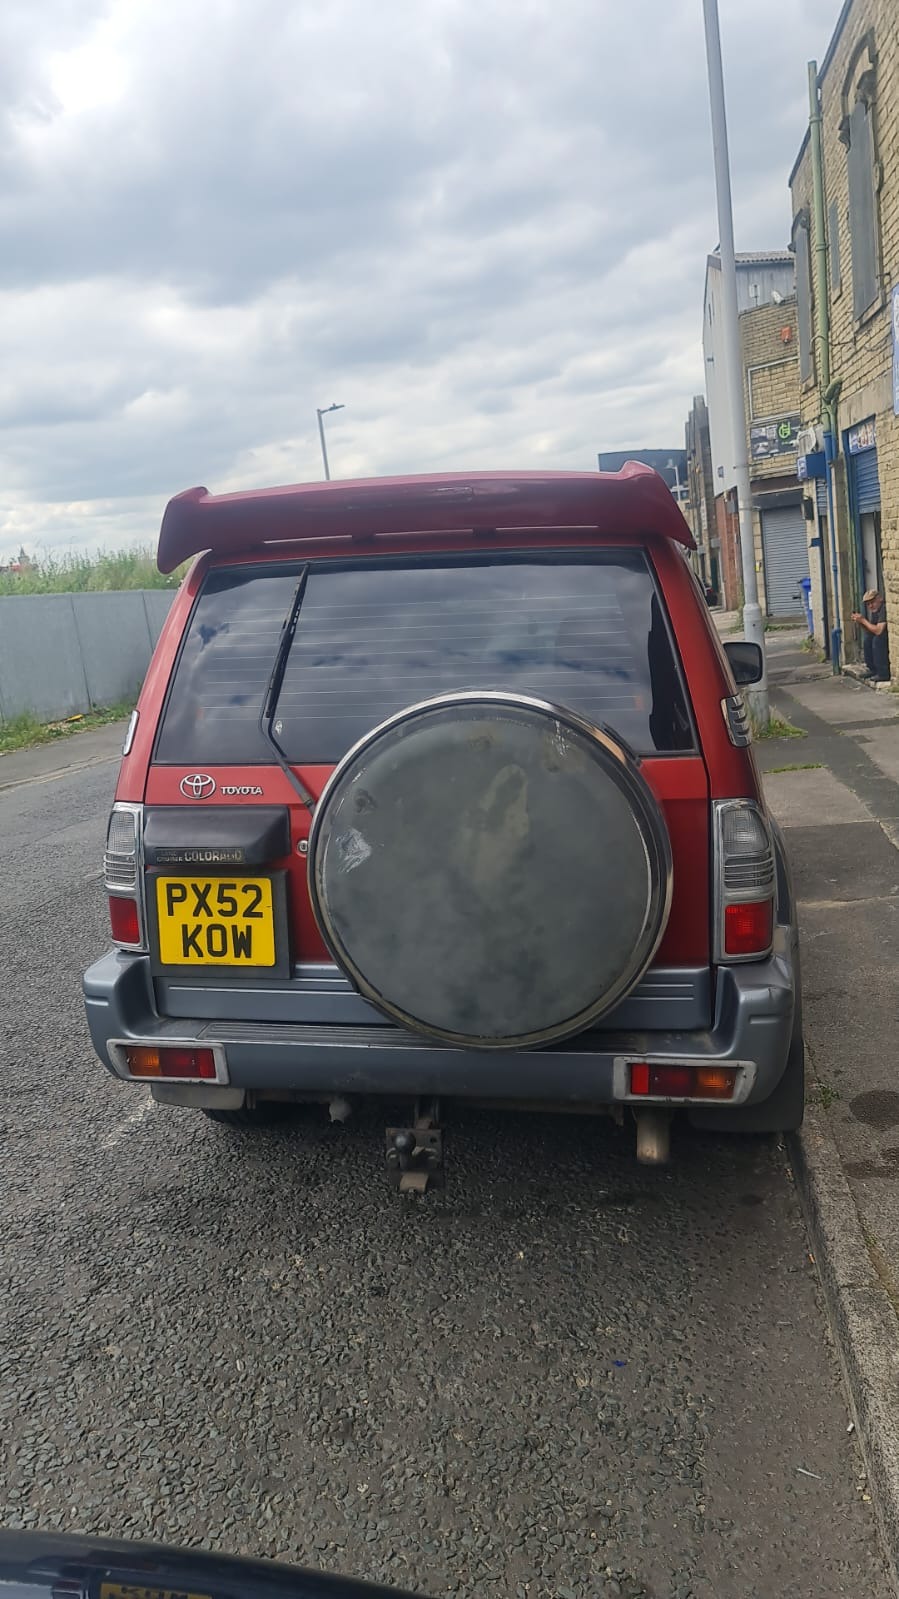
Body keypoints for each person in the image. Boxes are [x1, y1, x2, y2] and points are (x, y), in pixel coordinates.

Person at [851, 588, 890, 682]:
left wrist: (864, 620)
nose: (871, 606)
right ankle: (873, 669)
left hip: (885, 638)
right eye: (868, 604)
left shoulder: (883, 609)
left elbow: (879, 630)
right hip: (881, 635)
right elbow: (871, 630)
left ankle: (883, 673)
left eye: (873, 602)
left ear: (879, 599)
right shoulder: (875, 612)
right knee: (868, 639)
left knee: (877, 640)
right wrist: (861, 623)